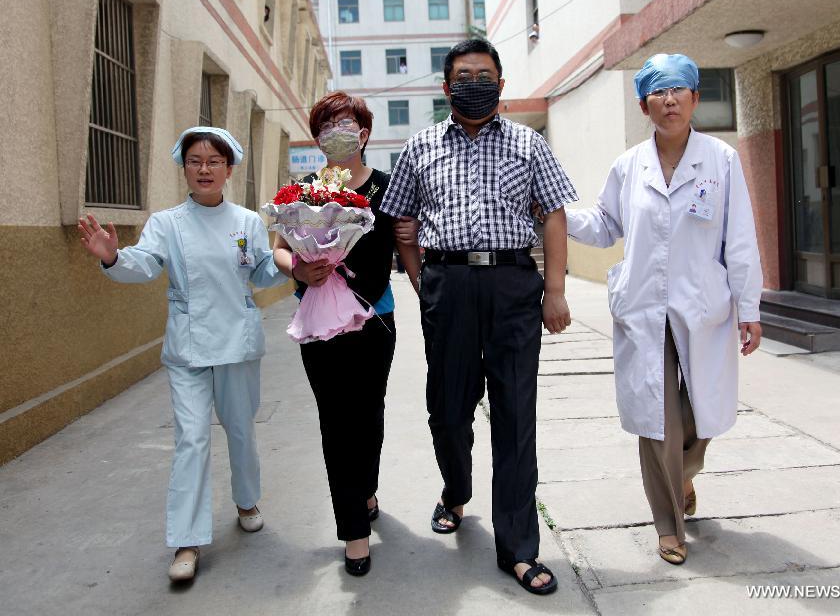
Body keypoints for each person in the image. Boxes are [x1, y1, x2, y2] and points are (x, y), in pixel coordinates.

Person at [381, 38, 578, 595]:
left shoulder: (528, 144)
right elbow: (401, 222)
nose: (475, 81)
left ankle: (518, 548)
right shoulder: (420, 148)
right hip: (448, 285)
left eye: (485, 74)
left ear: (500, 84)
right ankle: (456, 490)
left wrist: (555, 290)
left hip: (514, 284)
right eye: (464, 75)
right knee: (447, 409)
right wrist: (425, 284)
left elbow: (555, 215)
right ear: (446, 87)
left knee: (516, 415)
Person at [565, 54, 763, 565]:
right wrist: (556, 214)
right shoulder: (629, 166)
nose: (669, 100)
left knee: (702, 415)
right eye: (659, 92)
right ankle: (668, 523)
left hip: (705, 308)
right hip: (644, 308)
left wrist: (750, 307)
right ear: (643, 104)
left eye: (679, 90)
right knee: (658, 421)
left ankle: (686, 473)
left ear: (696, 98)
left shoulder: (720, 160)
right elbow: (605, 224)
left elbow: (739, 237)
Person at [78, 126, 288, 582]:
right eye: (196, 161)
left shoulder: (249, 221)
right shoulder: (166, 223)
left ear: (229, 169)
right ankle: (187, 541)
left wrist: (297, 259)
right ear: (184, 167)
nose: (205, 169)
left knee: (240, 429)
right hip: (188, 346)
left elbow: (266, 272)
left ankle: (246, 499)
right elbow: (144, 263)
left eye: (215, 161)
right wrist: (114, 258)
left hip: (237, 342)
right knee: (191, 438)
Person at [272, 92, 416, 577]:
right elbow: (279, 248)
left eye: (347, 122)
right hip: (319, 322)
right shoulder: (304, 189)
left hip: (375, 318)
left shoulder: (387, 187)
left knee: (369, 414)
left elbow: (406, 244)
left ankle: (367, 486)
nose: (338, 130)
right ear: (317, 137)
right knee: (335, 421)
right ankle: (354, 530)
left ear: (365, 133)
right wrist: (299, 269)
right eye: (327, 124)